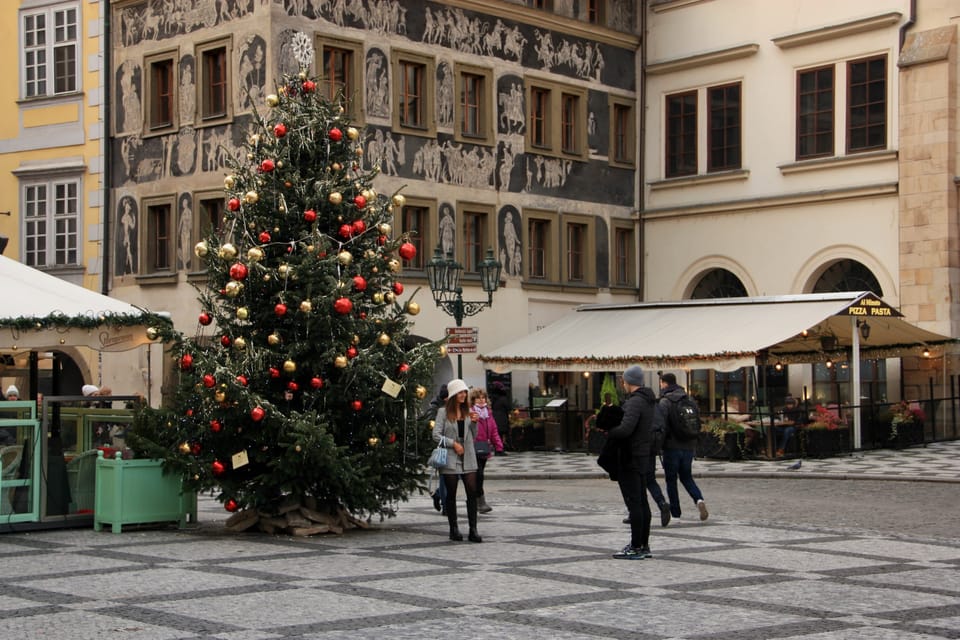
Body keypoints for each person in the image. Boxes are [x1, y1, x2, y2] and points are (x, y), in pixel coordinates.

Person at [605, 365, 658, 559]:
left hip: (631, 455)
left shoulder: (636, 402)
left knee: (635, 502)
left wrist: (610, 430)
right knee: (642, 501)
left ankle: (636, 546)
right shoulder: (648, 400)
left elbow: (626, 429)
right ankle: (643, 545)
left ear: (627, 381)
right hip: (644, 454)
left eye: (623, 380)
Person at [597, 392, 670, 528]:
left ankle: (634, 513)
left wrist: (611, 433)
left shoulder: (633, 404)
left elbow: (626, 427)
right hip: (651, 446)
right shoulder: (654, 405)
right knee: (650, 479)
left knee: (634, 483)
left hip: (637, 448)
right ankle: (661, 503)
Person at [432, 379, 483, 543]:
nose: (463, 395)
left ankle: (473, 530)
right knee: (451, 494)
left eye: (465, 392)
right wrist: (453, 444)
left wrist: (475, 423)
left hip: (468, 456)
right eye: (460, 392)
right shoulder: (443, 412)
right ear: (454, 394)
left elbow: (473, 436)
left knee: (472, 492)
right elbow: (436, 436)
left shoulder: (468, 411)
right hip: (450, 457)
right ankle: (454, 529)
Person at [658, 373, 709, 522]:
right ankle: (699, 499)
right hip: (689, 444)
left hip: (672, 446)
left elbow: (662, 425)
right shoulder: (689, 400)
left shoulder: (665, 402)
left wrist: (658, 444)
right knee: (687, 477)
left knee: (671, 480)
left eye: (661, 383)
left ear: (665, 384)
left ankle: (676, 513)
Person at [469, 387, 504, 514]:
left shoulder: (488, 413)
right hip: (472, 449)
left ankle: (478, 502)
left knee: (479, 476)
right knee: (478, 475)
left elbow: (494, 430)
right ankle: (480, 502)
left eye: (483, 397)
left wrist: (499, 446)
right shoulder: (470, 412)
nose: (481, 400)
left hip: (484, 449)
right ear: (473, 400)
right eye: (478, 398)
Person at [424, 384, 449, 514]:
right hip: (441, 446)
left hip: (453, 446)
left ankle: (438, 494)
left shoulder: (452, 406)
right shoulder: (436, 407)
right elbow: (432, 426)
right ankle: (446, 505)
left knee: (456, 476)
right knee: (444, 477)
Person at [489, 381, 511, 454]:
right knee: (500, 435)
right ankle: (500, 450)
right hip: (502, 418)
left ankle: (497, 450)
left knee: (496, 435)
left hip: (494, 418)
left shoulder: (492, 398)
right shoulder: (503, 398)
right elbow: (508, 407)